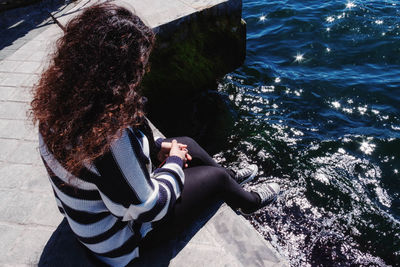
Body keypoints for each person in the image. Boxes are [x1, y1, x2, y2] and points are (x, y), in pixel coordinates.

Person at [31, 3, 280, 266]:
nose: (142, 72)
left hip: (91, 216)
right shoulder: (109, 138)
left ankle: (231, 182)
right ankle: (248, 200)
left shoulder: (59, 108)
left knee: (185, 143)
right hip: (121, 243)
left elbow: (101, 171)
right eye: (138, 66)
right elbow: (149, 207)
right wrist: (173, 162)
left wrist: (158, 148)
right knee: (212, 177)